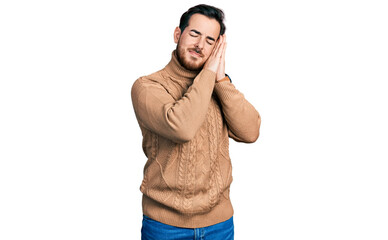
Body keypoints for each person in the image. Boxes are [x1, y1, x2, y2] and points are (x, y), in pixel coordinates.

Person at [131, 4, 261, 240]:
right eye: (194, 34)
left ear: (217, 49)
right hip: (164, 226)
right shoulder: (147, 86)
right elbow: (182, 127)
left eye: (210, 41)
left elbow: (250, 132)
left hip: (219, 224)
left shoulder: (218, 85)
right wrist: (210, 75)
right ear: (177, 35)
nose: (200, 46)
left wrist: (220, 80)